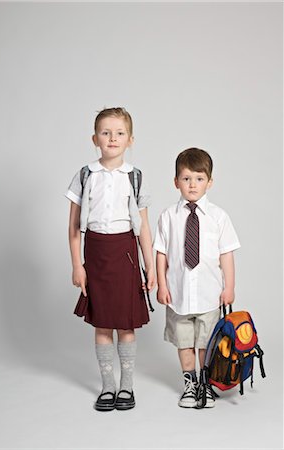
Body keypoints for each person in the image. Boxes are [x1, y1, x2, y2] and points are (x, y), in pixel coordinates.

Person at [66, 107, 155, 412]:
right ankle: (108, 387)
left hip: (126, 254)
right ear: (95, 138)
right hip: (96, 251)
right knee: (102, 323)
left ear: (130, 140)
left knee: (126, 324)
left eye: (119, 133)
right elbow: (74, 227)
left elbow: (143, 229)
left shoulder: (135, 177)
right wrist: (77, 265)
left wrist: (150, 267)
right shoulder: (85, 175)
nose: (112, 138)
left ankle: (127, 386)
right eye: (106, 132)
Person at [153, 148, 240, 408]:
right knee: (184, 342)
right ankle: (189, 384)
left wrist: (230, 287)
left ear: (209, 182)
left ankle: (205, 383)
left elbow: (226, 255)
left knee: (206, 343)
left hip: (209, 294)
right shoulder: (168, 216)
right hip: (178, 294)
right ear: (176, 181)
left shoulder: (218, 217)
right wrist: (161, 284)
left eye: (199, 178)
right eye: (187, 178)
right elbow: (161, 252)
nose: (193, 184)